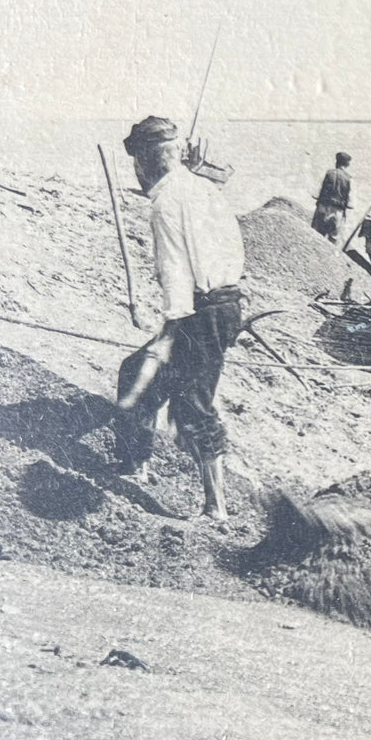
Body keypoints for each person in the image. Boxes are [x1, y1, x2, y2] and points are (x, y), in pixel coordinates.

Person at [114, 116, 245, 521]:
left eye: (137, 163)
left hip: (198, 312)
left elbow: (174, 270)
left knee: (192, 403)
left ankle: (215, 507)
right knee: (138, 370)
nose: (136, 173)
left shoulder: (167, 203)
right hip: (226, 304)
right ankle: (136, 463)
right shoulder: (203, 187)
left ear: (147, 162)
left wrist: (170, 330)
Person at [311, 152, 353, 243]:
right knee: (333, 240)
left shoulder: (329, 173)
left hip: (323, 208)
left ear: (336, 162)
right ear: (347, 164)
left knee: (316, 236)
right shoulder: (349, 179)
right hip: (338, 212)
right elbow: (350, 203)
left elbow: (315, 194)